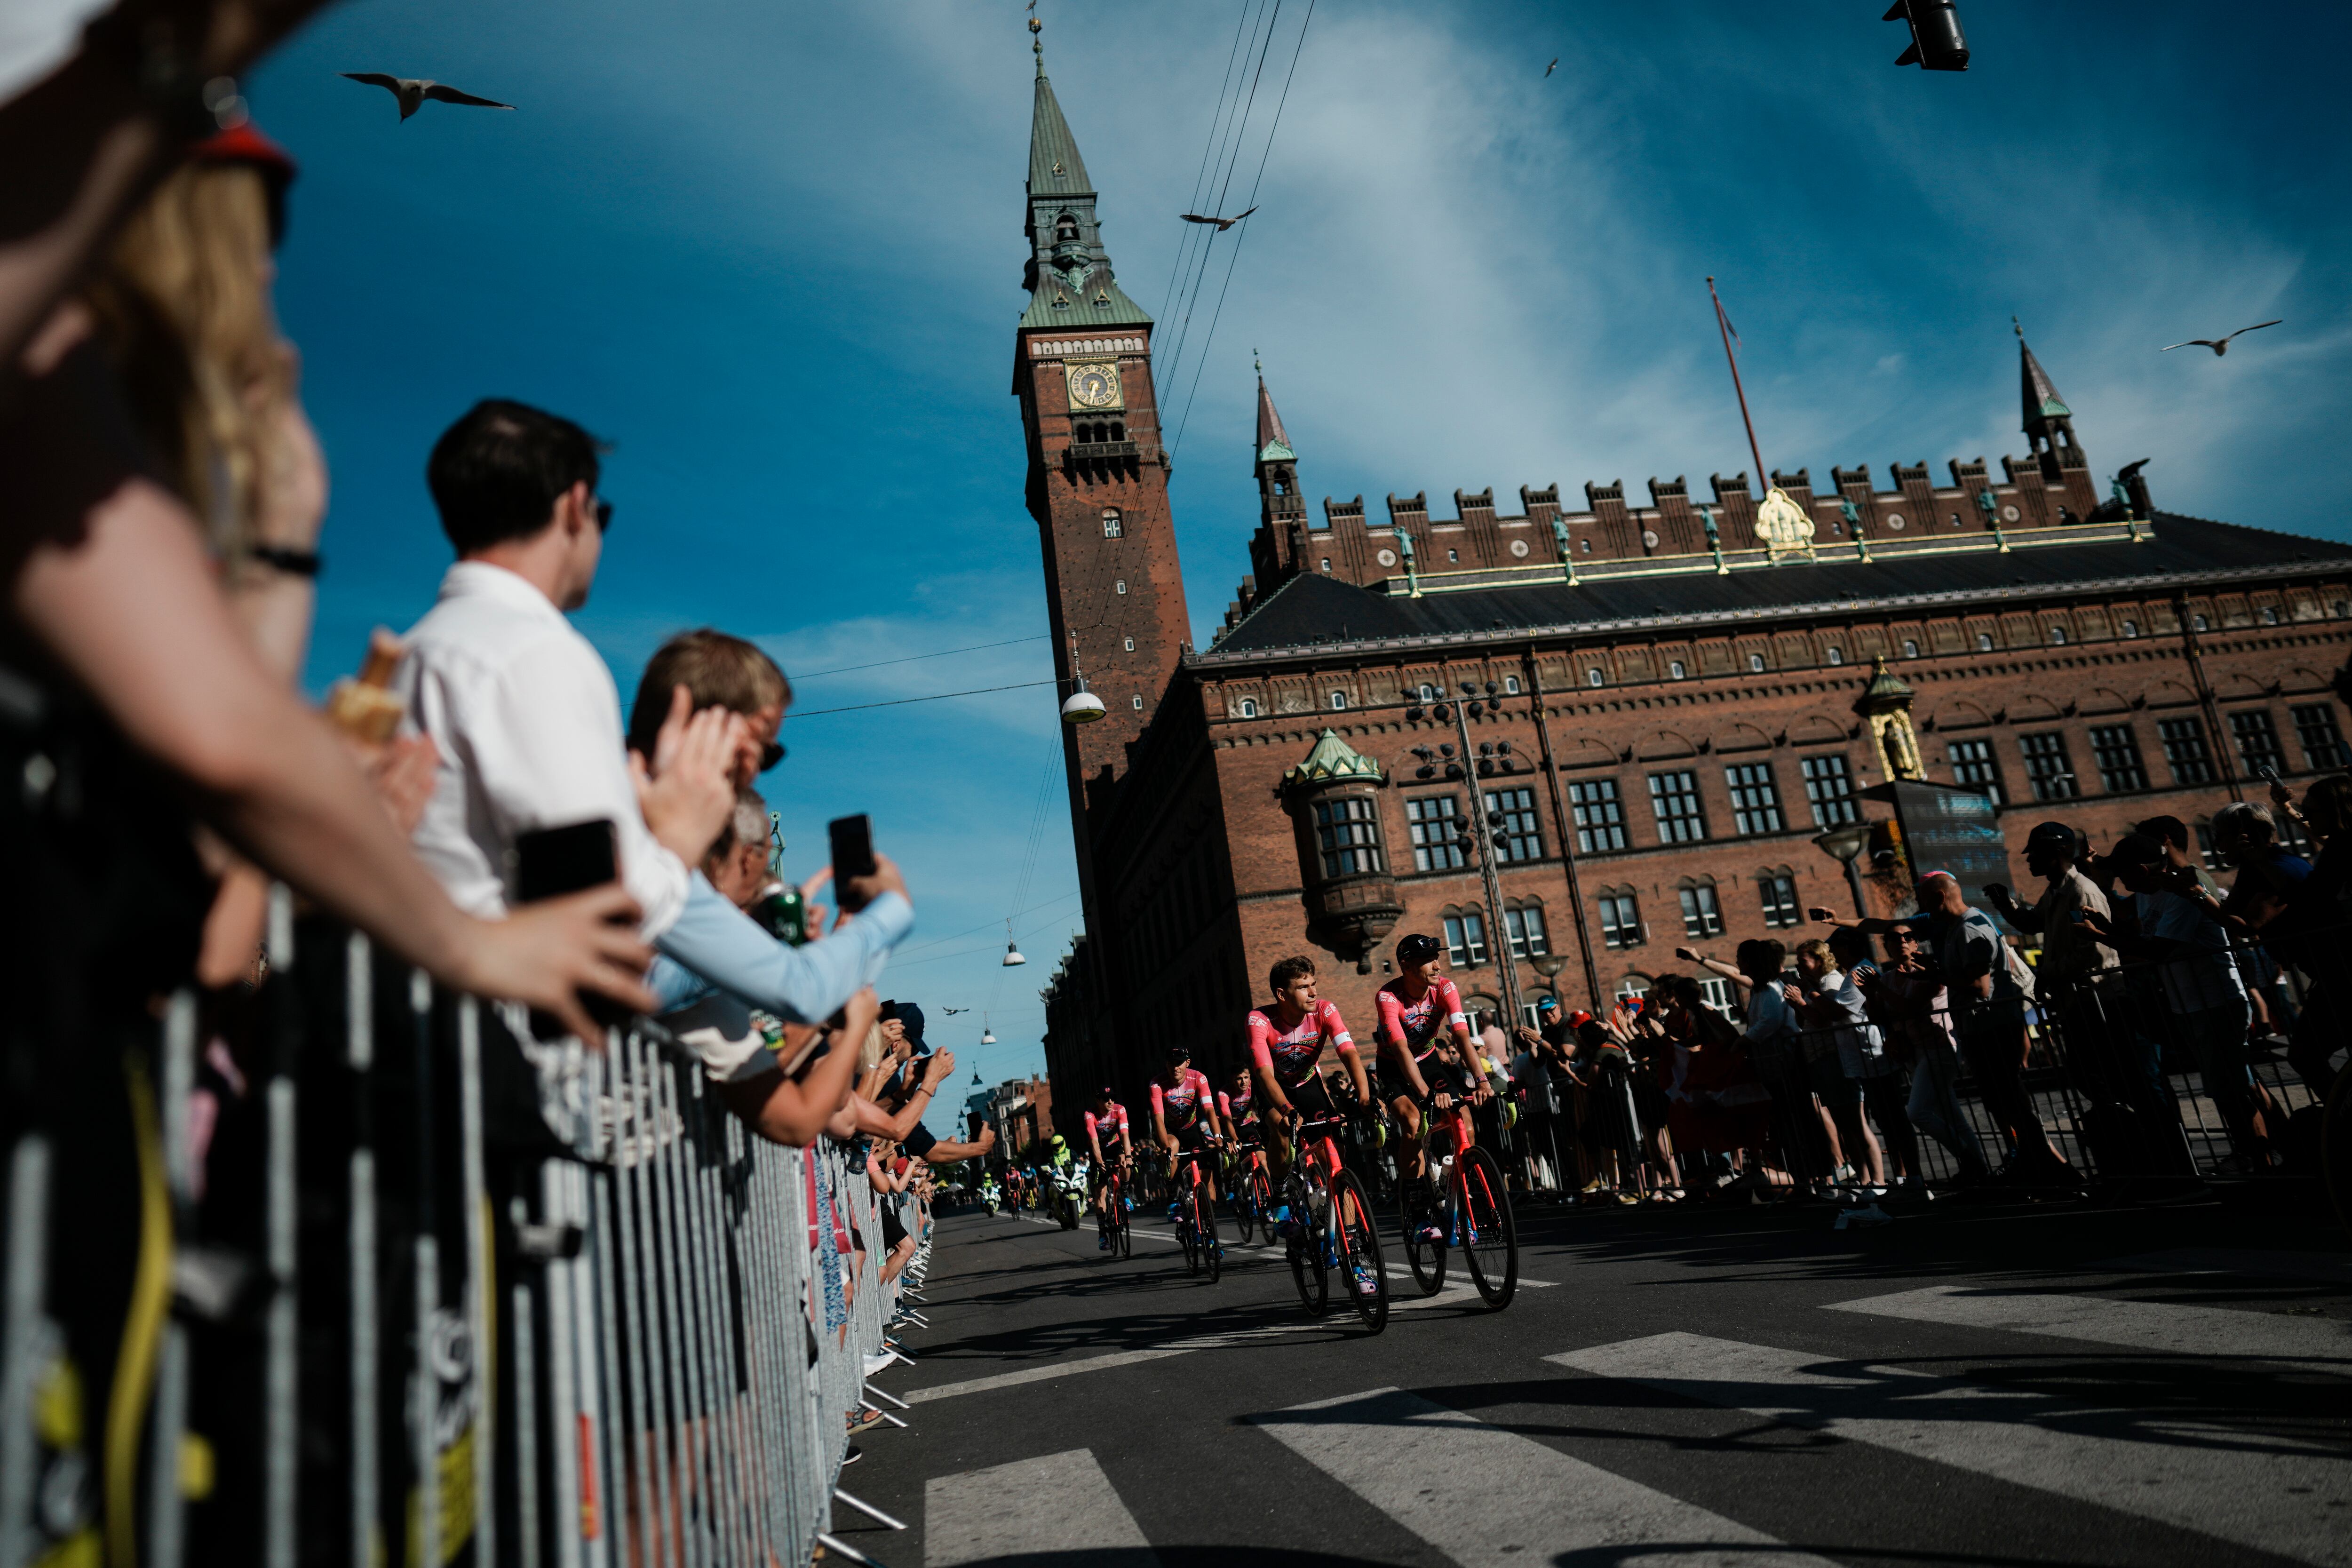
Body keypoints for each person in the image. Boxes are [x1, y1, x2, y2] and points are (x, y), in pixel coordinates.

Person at [1812, 873, 2074, 1186]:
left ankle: (2049, 1167)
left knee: (1992, 1102)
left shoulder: (1968, 928)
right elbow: (1882, 926)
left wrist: (1934, 974)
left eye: (1923, 900)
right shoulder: (1944, 930)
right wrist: (1841, 920)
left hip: (1983, 1027)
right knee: (1991, 1104)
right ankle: (2006, 1166)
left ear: (1938, 898)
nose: (1902, 940)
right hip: (1970, 1030)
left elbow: (1979, 986)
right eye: (1894, 941)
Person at [2085, 835, 2269, 1166]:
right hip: (2189, 1004)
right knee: (2229, 1085)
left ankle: (2266, 1160)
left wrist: (2100, 937)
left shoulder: (2180, 895)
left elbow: (2158, 950)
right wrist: (2105, 925)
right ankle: (2260, 1153)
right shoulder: (2147, 895)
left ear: (2142, 869)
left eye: (2124, 874)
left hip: (2216, 1000)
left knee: (2234, 1089)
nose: (2123, 882)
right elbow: (2145, 939)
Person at [1373, 934, 1491, 1234]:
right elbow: (1400, 1050)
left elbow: (1463, 1037)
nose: (1438, 965)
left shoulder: (1446, 988)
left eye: (1438, 958)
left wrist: (1481, 1080)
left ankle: (1454, 1190)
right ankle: (1416, 1207)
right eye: (1429, 960)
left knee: (1464, 1118)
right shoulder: (1388, 997)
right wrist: (1427, 1095)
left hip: (1428, 1061)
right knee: (1413, 1122)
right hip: (1395, 1068)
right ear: (1407, 966)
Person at [1866, 924, 1990, 1181]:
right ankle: (1980, 1170)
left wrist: (1878, 989)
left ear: (1916, 944)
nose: (1901, 941)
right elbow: (1880, 1016)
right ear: (1886, 945)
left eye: (1908, 937)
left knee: (1918, 1112)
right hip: (1915, 1053)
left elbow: (1910, 1007)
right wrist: (1871, 995)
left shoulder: (1928, 970)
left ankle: (1968, 1159)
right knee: (1951, 1115)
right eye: (1894, 938)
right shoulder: (1888, 978)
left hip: (1940, 1047)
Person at [1247, 954, 1373, 1179]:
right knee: (1282, 1128)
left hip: (1307, 1083)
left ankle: (1340, 1200)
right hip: (1274, 1087)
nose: (1314, 992)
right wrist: (1287, 1109)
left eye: (1314, 985)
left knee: (1336, 1162)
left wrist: (1364, 1097)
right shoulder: (1259, 1020)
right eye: (1304, 987)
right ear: (1282, 994)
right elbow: (1264, 1074)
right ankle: (1280, 1194)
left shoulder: (1325, 1010)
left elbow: (1350, 1054)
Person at [1150, 1043, 1226, 1242]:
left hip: (1191, 1129)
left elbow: (1209, 1110)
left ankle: (1209, 1223)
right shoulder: (1157, 1085)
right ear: (1166, 1065)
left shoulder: (1198, 1078)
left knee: (1207, 1177)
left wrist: (1218, 1136)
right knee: (1172, 1147)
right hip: (1168, 1130)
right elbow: (1158, 1118)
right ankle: (1173, 1196)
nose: (1175, 1068)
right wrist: (1165, 1145)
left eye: (1179, 1063)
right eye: (1171, 1064)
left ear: (1187, 1063)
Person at [1084, 1085, 1131, 1247]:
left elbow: (1125, 1134)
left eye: (1112, 1098)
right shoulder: (1090, 1115)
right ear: (1098, 1101)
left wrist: (1129, 1156)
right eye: (1106, 1099)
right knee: (1101, 1191)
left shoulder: (1120, 1110)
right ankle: (1103, 1232)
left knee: (1125, 1162)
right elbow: (1094, 1141)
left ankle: (1124, 1193)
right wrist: (1098, 1161)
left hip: (1115, 1146)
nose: (1110, 1101)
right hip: (1099, 1151)